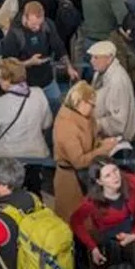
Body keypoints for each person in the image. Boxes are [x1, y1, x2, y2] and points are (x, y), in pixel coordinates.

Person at [69, 157, 135, 269]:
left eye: (115, 170)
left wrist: (134, 234)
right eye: (108, 175)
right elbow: (75, 221)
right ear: (99, 181)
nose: (115, 176)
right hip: (109, 243)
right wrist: (92, 247)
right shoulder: (92, 201)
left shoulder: (132, 182)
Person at [54, 81, 121, 221]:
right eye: (92, 104)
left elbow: (92, 141)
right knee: (73, 220)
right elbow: (78, 161)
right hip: (71, 181)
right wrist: (103, 149)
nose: (94, 108)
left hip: (85, 176)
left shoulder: (86, 117)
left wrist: (102, 144)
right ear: (81, 102)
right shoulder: (66, 125)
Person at [87, 40, 135, 142]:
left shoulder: (117, 81)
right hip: (104, 134)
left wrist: (94, 124)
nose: (91, 61)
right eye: (92, 57)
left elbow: (118, 122)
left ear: (109, 58)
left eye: (96, 57)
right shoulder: (99, 71)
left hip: (117, 140)